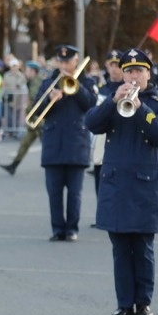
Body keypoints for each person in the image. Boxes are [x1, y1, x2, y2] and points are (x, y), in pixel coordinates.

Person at [85, 48, 158, 315]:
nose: (133, 76)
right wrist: (112, 101)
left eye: (138, 71)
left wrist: (141, 109)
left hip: (144, 184)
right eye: (129, 71)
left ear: (148, 74)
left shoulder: (155, 102)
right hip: (116, 183)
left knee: (143, 248)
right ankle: (124, 303)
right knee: (120, 248)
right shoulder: (114, 97)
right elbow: (91, 123)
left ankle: (143, 303)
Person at [35, 45, 97, 241]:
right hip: (53, 144)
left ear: (76, 61)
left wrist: (77, 87)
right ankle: (57, 229)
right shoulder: (48, 83)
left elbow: (91, 104)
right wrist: (49, 98)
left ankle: (71, 228)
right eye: (60, 61)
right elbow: (37, 110)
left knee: (75, 193)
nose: (63, 65)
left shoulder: (87, 82)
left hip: (76, 143)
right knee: (54, 192)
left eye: (67, 61)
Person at [1, 60, 46, 175]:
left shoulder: (36, 82)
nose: (26, 72)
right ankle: (13, 165)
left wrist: (28, 110)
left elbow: (36, 101)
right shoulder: (33, 81)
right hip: (34, 120)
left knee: (47, 145)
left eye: (28, 70)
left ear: (33, 71)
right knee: (25, 143)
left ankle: (55, 168)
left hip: (38, 120)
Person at [91, 49, 125, 197]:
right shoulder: (100, 90)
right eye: (112, 65)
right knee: (101, 192)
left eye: (118, 65)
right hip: (101, 144)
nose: (115, 68)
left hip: (121, 145)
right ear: (106, 65)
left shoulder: (129, 89)